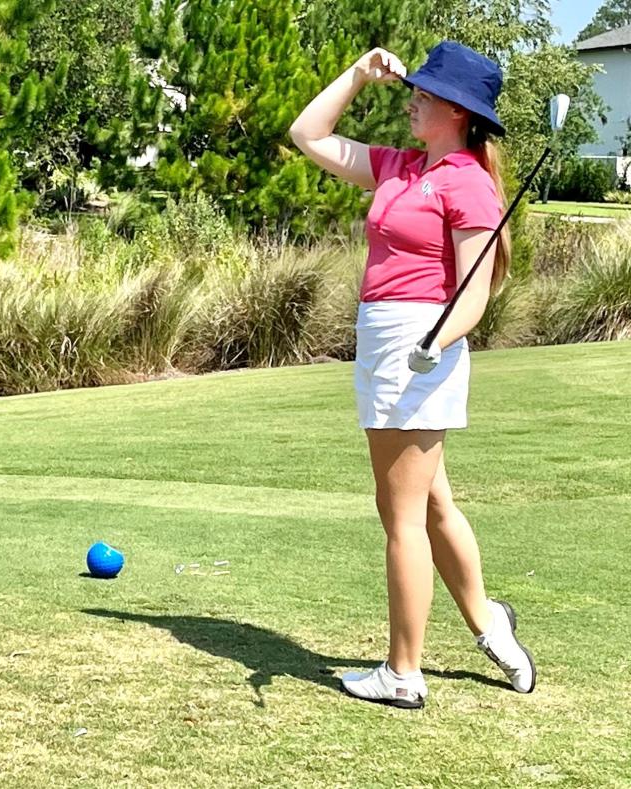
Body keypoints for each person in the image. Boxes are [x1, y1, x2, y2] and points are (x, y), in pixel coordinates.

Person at [288, 41, 535, 709]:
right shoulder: (399, 167)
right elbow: (307, 133)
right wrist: (359, 74)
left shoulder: (467, 182)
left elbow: (476, 290)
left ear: (457, 112)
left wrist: (437, 343)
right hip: (384, 340)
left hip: (420, 345)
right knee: (431, 502)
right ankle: (492, 626)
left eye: (425, 93)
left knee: (399, 515)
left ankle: (403, 673)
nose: (412, 97)